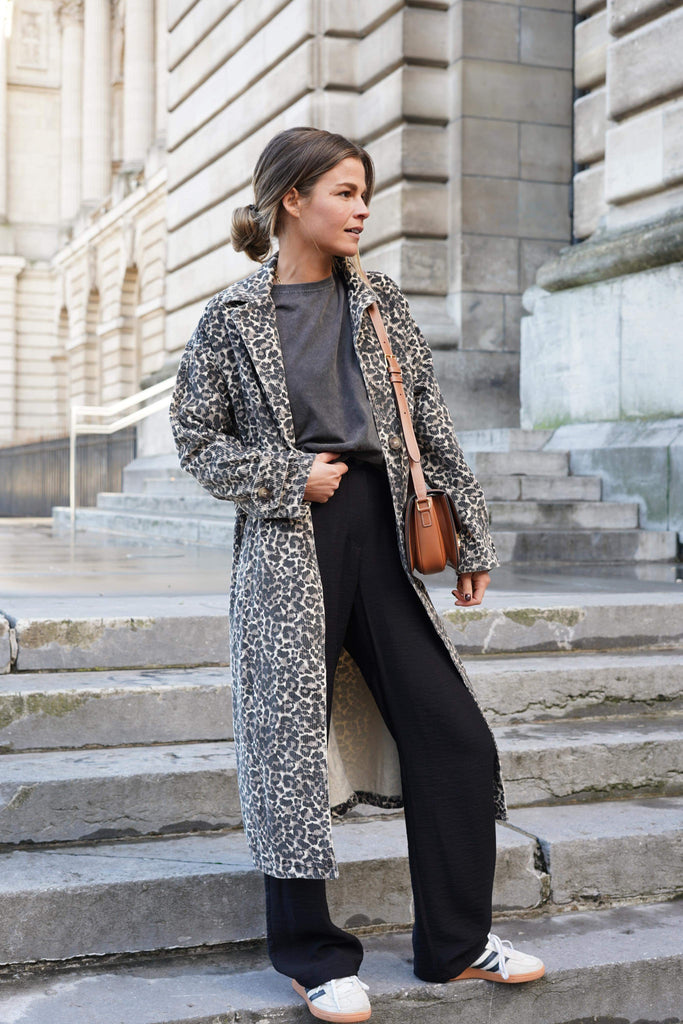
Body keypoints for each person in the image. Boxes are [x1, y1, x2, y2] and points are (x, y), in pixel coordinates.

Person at [169, 126, 545, 1023]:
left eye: (363, 192)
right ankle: (312, 957)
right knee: (288, 751)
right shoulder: (232, 316)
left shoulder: (379, 301)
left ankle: (455, 943)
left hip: (381, 529)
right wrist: (283, 474)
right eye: (343, 191)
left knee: (453, 736)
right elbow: (195, 438)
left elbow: (428, 421)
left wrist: (471, 537)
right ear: (291, 199)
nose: (362, 208)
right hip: (288, 543)